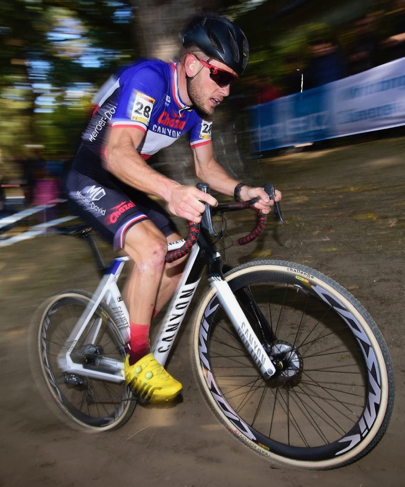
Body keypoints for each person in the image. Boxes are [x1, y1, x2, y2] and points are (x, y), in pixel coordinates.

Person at [63, 14, 281, 403]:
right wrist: (170, 191)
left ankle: (132, 326)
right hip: (93, 174)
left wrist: (244, 190)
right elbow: (116, 154)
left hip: (130, 179)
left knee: (178, 258)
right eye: (223, 77)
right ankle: (138, 357)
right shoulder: (149, 78)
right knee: (152, 248)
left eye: (233, 80)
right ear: (194, 64)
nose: (226, 91)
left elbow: (206, 168)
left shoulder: (199, 108)